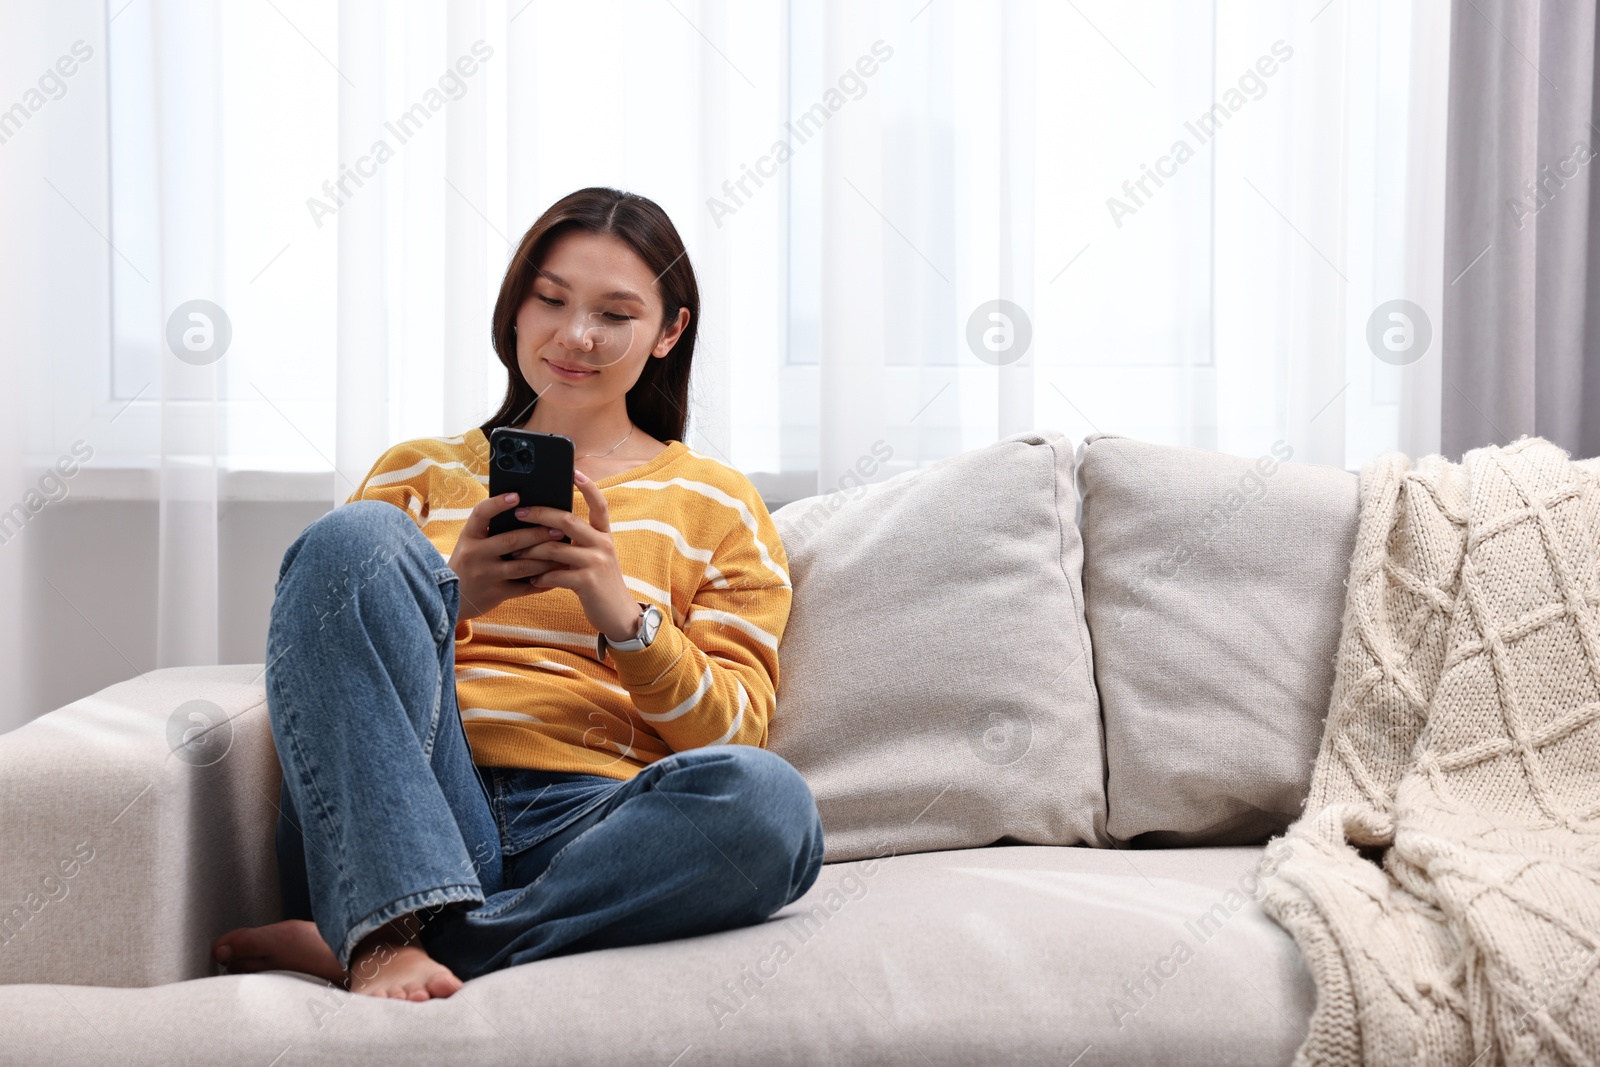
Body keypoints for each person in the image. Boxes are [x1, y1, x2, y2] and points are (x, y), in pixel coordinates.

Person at [211, 187, 824, 1002]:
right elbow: (324, 655)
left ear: (669, 332)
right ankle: (389, 922)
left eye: (615, 313)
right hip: (410, 794)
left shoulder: (719, 504)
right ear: (515, 306)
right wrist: (451, 598)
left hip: (591, 824)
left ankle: (388, 934)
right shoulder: (418, 472)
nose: (576, 336)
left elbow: (734, 729)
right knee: (351, 540)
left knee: (771, 806)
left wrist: (625, 618)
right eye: (551, 300)